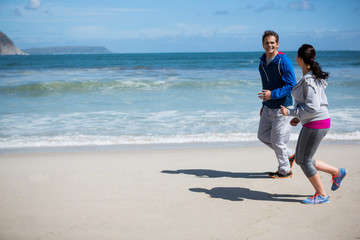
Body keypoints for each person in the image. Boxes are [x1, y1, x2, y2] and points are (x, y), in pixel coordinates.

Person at [280, 44, 347, 204]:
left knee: (303, 160)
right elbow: (310, 105)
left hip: (317, 123)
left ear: (299, 59)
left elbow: (313, 107)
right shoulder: (310, 77)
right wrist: (299, 117)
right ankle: (337, 172)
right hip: (316, 122)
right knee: (304, 158)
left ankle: (321, 194)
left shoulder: (310, 80)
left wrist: (290, 112)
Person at [257, 30, 296, 179]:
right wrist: (264, 102)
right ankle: (289, 154)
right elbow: (265, 84)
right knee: (262, 135)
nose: (270, 45)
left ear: (277, 44)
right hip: (268, 106)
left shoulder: (283, 61)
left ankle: (285, 170)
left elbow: (291, 84)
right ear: (263, 44)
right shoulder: (262, 62)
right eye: (267, 42)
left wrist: (272, 94)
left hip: (283, 107)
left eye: (272, 42)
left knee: (277, 141)